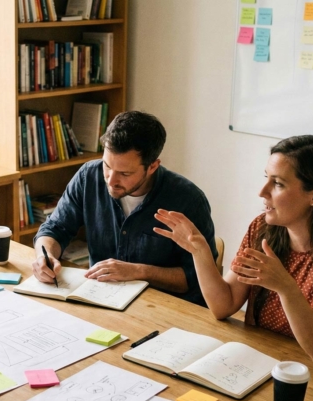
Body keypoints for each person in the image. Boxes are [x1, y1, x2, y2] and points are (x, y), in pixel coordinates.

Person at [154, 135, 313, 366]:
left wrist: (286, 288)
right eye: (266, 178)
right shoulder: (263, 228)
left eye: (278, 183)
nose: (262, 191)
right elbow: (223, 306)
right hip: (265, 358)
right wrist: (199, 251)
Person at [32, 111, 217, 306]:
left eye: (125, 173)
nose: (111, 180)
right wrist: (45, 256)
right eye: (107, 166)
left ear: (152, 166)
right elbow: (54, 229)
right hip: (100, 300)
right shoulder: (89, 177)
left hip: (164, 310)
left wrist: (139, 271)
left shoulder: (187, 200)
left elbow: (197, 278)